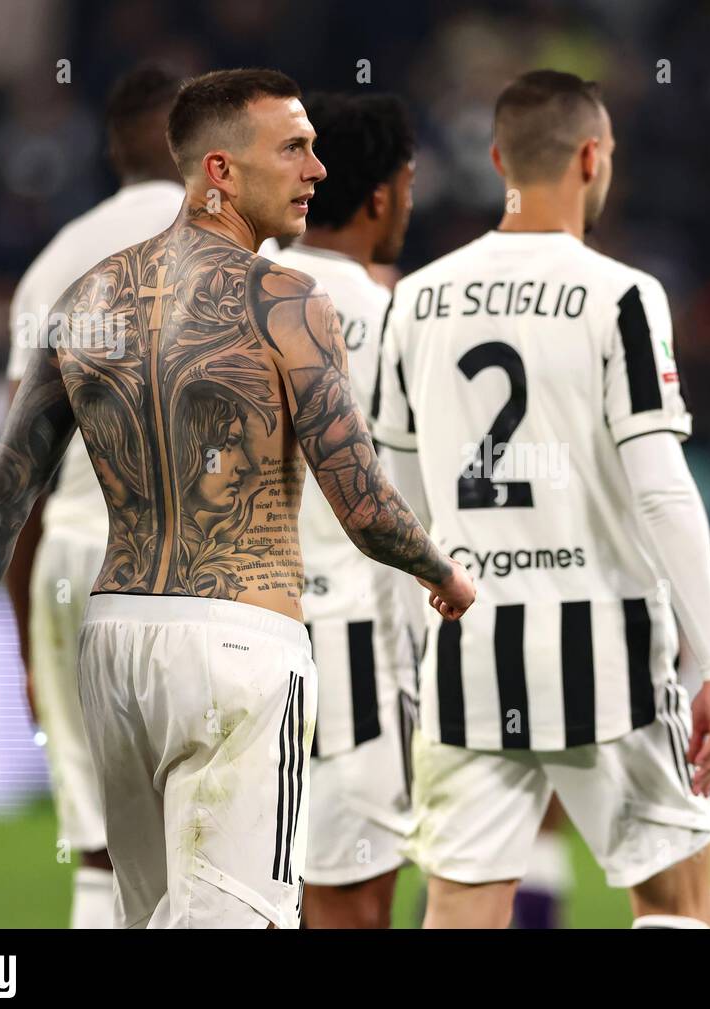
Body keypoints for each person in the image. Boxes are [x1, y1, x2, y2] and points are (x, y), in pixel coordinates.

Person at [0, 68, 474, 930]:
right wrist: (445, 575)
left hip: (116, 645)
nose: (317, 170)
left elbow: (6, 494)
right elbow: (362, 505)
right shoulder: (289, 304)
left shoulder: (87, 297)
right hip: (239, 647)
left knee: (144, 916)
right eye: (296, 149)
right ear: (221, 171)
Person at [373, 69, 710, 929]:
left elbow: (396, 505)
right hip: (605, 649)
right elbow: (661, 486)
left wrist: (404, 656)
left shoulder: (415, 301)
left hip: (468, 655)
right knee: (676, 898)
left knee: (464, 903)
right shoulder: (624, 296)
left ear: (498, 157)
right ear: (592, 156)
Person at [3, 63, 185, 929]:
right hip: (206, 563)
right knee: (218, 835)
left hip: (76, 555)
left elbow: (16, 477)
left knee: (99, 843)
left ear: (112, 148)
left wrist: (24, 639)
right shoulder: (251, 246)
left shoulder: (54, 262)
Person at [257, 91, 419, 928]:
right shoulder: (391, 321)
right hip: (346, 638)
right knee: (349, 905)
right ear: (385, 194)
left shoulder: (231, 297)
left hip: (228, 627)